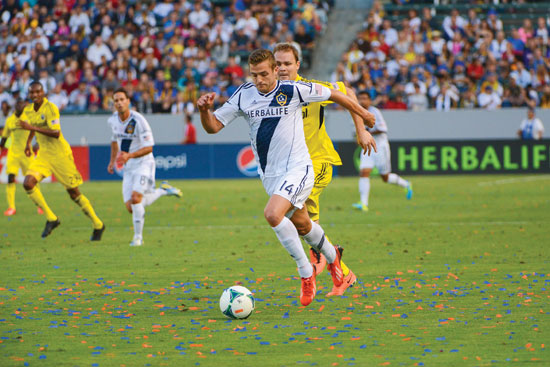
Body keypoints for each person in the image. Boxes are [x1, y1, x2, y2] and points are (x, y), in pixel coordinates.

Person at [197, 49, 375, 307]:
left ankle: (306, 274)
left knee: (272, 214)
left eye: (264, 74)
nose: (259, 80)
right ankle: (336, 261)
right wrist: (204, 111)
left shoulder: (293, 90)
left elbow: (337, 93)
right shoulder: (243, 95)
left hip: (299, 168)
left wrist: (365, 115)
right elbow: (213, 127)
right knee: (303, 226)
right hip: (270, 175)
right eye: (254, 75)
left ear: (275, 71)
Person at [273, 42, 377, 297]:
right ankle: (341, 270)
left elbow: (348, 92)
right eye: (278, 64)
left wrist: (361, 129)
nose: (283, 68)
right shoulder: (270, 93)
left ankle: (320, 262)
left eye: (288, 63)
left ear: (297, 65)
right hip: (292, 169)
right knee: (303, 224)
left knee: (292, 214)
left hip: (318, 162)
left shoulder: (310, 89)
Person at [19, 81, 105, 240]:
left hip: (60, 155)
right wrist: (28, 143)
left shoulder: (51, 108)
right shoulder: (29, 110)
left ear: (43, 92)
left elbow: (56, 133)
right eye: (32, 93)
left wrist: (32, 129)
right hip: (44, 155)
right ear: (29, 94)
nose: (35, 95)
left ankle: (98, 224)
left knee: (74, 193)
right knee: (28, 183)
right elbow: (31, 126)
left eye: (38, 92)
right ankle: (52, 218)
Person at [107, 88, 183, 247]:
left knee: (136, 199)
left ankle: (138, 238)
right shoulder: (113, 120)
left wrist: (129, 156)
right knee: (131, 207)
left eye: (122, 99)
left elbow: (149, 148)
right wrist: (112, 160)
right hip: (128, 167)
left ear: (128, 101)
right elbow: (114, 141)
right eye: (116, 100)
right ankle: (162, 190)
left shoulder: (139, 120)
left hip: (144, 163)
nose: (119, 103)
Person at [352, 90, 413, 212]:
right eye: (360, 98)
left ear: (370, 100)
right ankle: (364, 204)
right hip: (368, 146)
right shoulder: (356, 113)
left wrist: (366, 132)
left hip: (380, 147)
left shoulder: (375, 112)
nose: (362, 101)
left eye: (365, 98)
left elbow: (382, 129)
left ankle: (406, 184)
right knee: (364, 172)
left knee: (385, 177)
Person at [0, 99, 40, 216]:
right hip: (13, 153)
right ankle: (11, 207)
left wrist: (37, 143)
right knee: (10, 177)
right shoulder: (10, 120)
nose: (19, 105)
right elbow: (5, 137)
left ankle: (39, 205)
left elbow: (37, 131)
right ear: (15, 106)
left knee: (32, 180)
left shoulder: (29, 117)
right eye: (18, 103)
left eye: (21, 103)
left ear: (24, 106)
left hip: (27, 154)